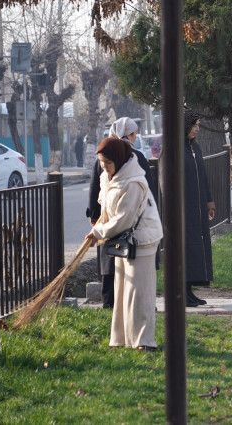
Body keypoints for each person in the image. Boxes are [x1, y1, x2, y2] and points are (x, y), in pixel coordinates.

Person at [85, 137, 162, 351]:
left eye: (107, 163)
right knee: (122, 291)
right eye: (101, 162)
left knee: (139, 292)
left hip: (143, 239)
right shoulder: (108, 178)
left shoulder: (134, 182)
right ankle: (121, 339)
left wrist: (98, 233)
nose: (104, 166)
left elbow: (124, 219)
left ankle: (144, 341)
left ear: (118, 160)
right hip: (123, 238)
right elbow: (107, 211)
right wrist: (96, 230)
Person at [87, 117, 156, 309]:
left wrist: (94, 215)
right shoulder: (136, 157)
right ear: (128, 135)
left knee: (111, 257)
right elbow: (148, 190)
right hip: (130, 217)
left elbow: (94, 188)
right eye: (134, 134)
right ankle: (130, 302)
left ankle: (110, 302)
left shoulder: (103, 154)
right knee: (128, 258)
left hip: (110, 216)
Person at [173, 110, 216, 307]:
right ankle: (182, 292)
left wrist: (209, 201)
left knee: (195, 249)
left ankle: (190, 290)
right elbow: (167, 181)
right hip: (182, 209)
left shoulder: (194, 147)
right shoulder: (174, 148)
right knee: (184, 250)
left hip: (196, 208)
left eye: (198, 125)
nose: (196, 129)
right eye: (194, 125)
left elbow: (204, 177)